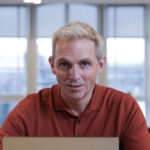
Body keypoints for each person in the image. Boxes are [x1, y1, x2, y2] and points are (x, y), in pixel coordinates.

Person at [0, 21, 150, 150]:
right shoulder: (29, 108)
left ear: (100, 65)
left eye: (84, 64)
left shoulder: (124, 107)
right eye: (64, 64)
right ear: (53, 65)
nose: (74, 76)